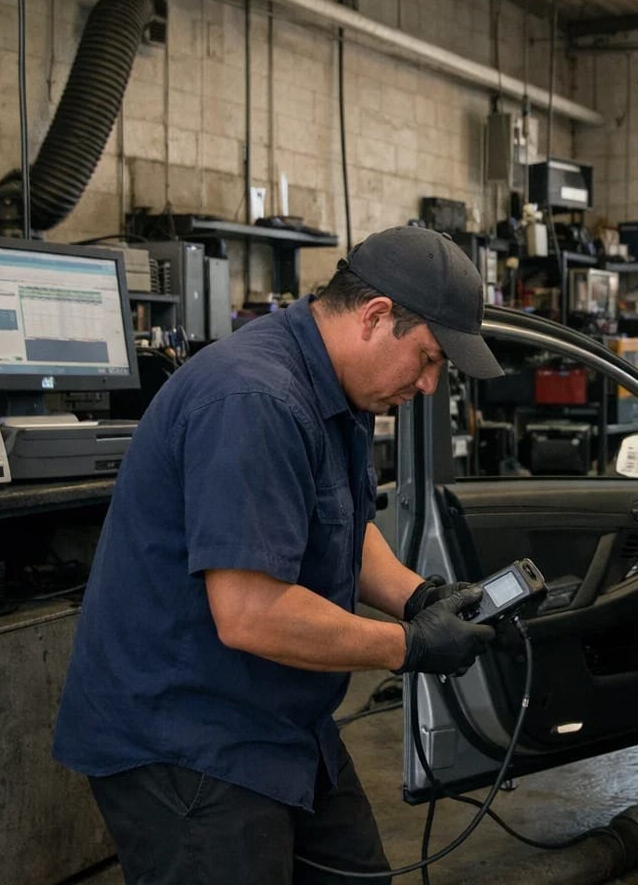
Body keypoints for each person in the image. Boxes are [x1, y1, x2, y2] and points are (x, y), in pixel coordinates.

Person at [54, 225, 505, 883]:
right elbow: (251, 613)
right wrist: (408, 646)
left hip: (281, 721)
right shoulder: (255, 399)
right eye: (429, 358)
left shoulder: (340, 388)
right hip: (188, 739)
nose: (431, 384)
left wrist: (419, 598)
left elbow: (342, 524)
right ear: (376, 316)